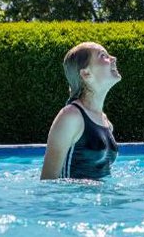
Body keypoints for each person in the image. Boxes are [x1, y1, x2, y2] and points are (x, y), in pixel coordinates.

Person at [41, 42, 121, 180]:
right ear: (86, 73)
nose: (113, 59)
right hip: (73, 200)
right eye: (103, 56)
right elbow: (48, 182)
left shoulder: (105, 121)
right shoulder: (71, 117)